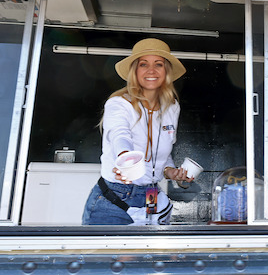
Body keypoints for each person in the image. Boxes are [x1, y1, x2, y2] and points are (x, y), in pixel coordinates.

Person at [82, 38, 193, 225]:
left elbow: (161, 153)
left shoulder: (172, 107)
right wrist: (125, 160)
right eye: (144, 64)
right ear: (135, 71)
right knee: (110, 255)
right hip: (114, 198)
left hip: (150, 195)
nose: (151, 70)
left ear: (166, 71)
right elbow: (119, 135)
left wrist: (171, 171)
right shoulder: (119, 103)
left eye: (158, 64)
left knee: (149, 254)